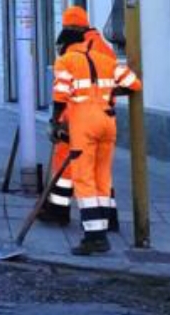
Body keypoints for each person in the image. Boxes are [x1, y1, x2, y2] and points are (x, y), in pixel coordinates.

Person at [52, 23, 141, 256]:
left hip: (84, 122)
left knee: (83, 178)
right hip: (107, 121)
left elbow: (61, 94)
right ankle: (101, 229)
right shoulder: (106, 60)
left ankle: (94, 237)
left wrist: (55, 123)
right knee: (102, 175)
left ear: (66, 44)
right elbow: (134, 84)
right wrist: (110, 94)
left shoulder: (66, 61)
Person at [39, 6, 116, 228]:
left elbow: (62, 91)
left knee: (66, 165)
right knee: (100, 169)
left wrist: (56, 121)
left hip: (76, 119)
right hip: (104, 117)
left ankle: (59, 211)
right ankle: (108, 218)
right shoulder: (104, 48)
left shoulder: (74, 52)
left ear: (71, 27)